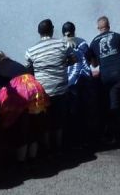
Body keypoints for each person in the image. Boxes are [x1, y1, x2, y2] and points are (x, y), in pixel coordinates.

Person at [25, 18, 75, 151]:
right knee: (58, 122)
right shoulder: (62, 44)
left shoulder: (31, 50)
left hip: (43, 92)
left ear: (38, 32)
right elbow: (73, 58)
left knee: (45, 123)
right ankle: (58, 148)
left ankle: (48, 150)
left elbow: (28, 69)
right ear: (52, 30)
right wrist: (64, 63)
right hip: (61, 89)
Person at [88, 15, 120, 143]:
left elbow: (94, 64)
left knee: (108, 105)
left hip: (104, 77)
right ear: (109, 26)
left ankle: (112, 134)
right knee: (117, 103)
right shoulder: (117, 36)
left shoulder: (94, 42)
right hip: (119, 75)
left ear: (98, 28)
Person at [62, 21, 93, 148]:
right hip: (85, 78)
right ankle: (87, 138)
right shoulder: (83, 42)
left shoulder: (61, 44)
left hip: (70, 82)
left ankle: (74, 140)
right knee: (86, 109)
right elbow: (90, 60)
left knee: (72, 111)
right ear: (74, 30)